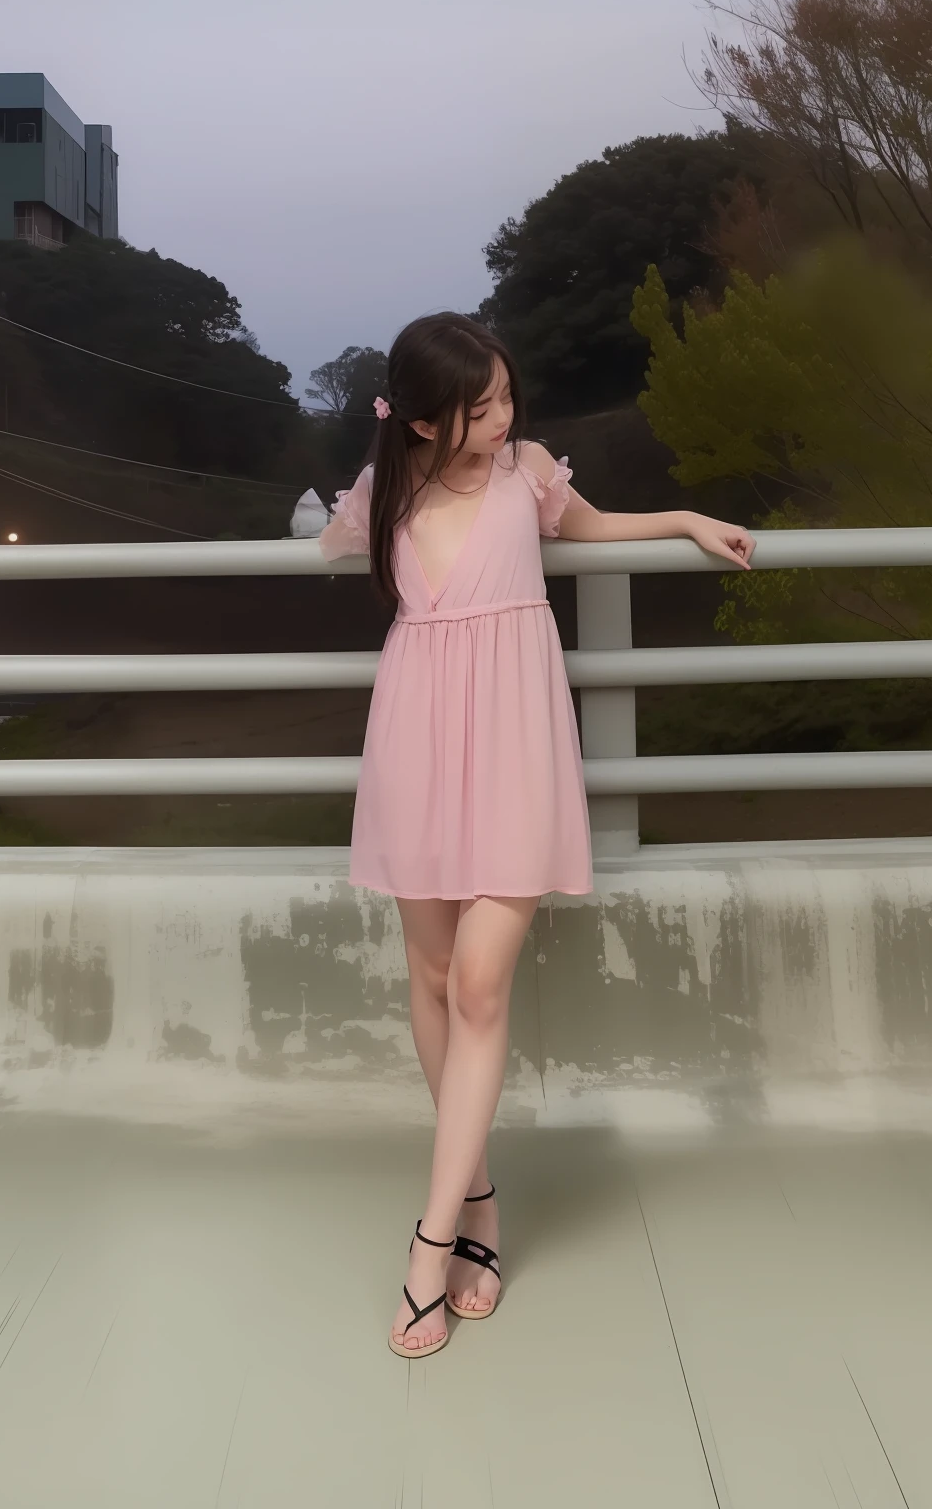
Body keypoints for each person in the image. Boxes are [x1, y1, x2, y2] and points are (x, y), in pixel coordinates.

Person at [318, 311, 754, 1359]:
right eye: (480, 407)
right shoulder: (387, 491)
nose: (503, 417)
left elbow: (587, 527)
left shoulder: (527, 471)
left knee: (477, 985)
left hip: (513, 734)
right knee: (426, 972)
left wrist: (688, 515)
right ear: (420, 419)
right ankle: (480, 1205)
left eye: (508, 395)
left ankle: (432, 1242)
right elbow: (329, 539)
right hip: (418, 732)